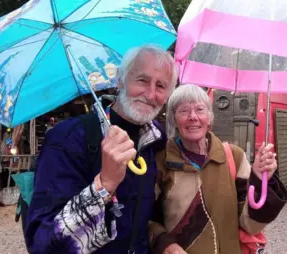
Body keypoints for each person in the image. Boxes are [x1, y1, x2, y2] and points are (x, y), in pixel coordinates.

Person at [24, 45, 178, 254]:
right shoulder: (67, 139)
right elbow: (43, 243)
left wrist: (165, 242)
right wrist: (104, 184)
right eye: (142, 80)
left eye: (161, 86)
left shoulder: (155, 141)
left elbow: (151, 215)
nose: (151, 94)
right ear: (121, 80)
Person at [148, 84, 287, 254]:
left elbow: (250, 225)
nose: (193, 117)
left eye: (200, 109)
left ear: (209, 117)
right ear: (173, 119)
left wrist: (260, 179)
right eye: (183, 111)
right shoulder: (161, 162)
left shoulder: (234, 157)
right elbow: (145, 219)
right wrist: (164, 243)